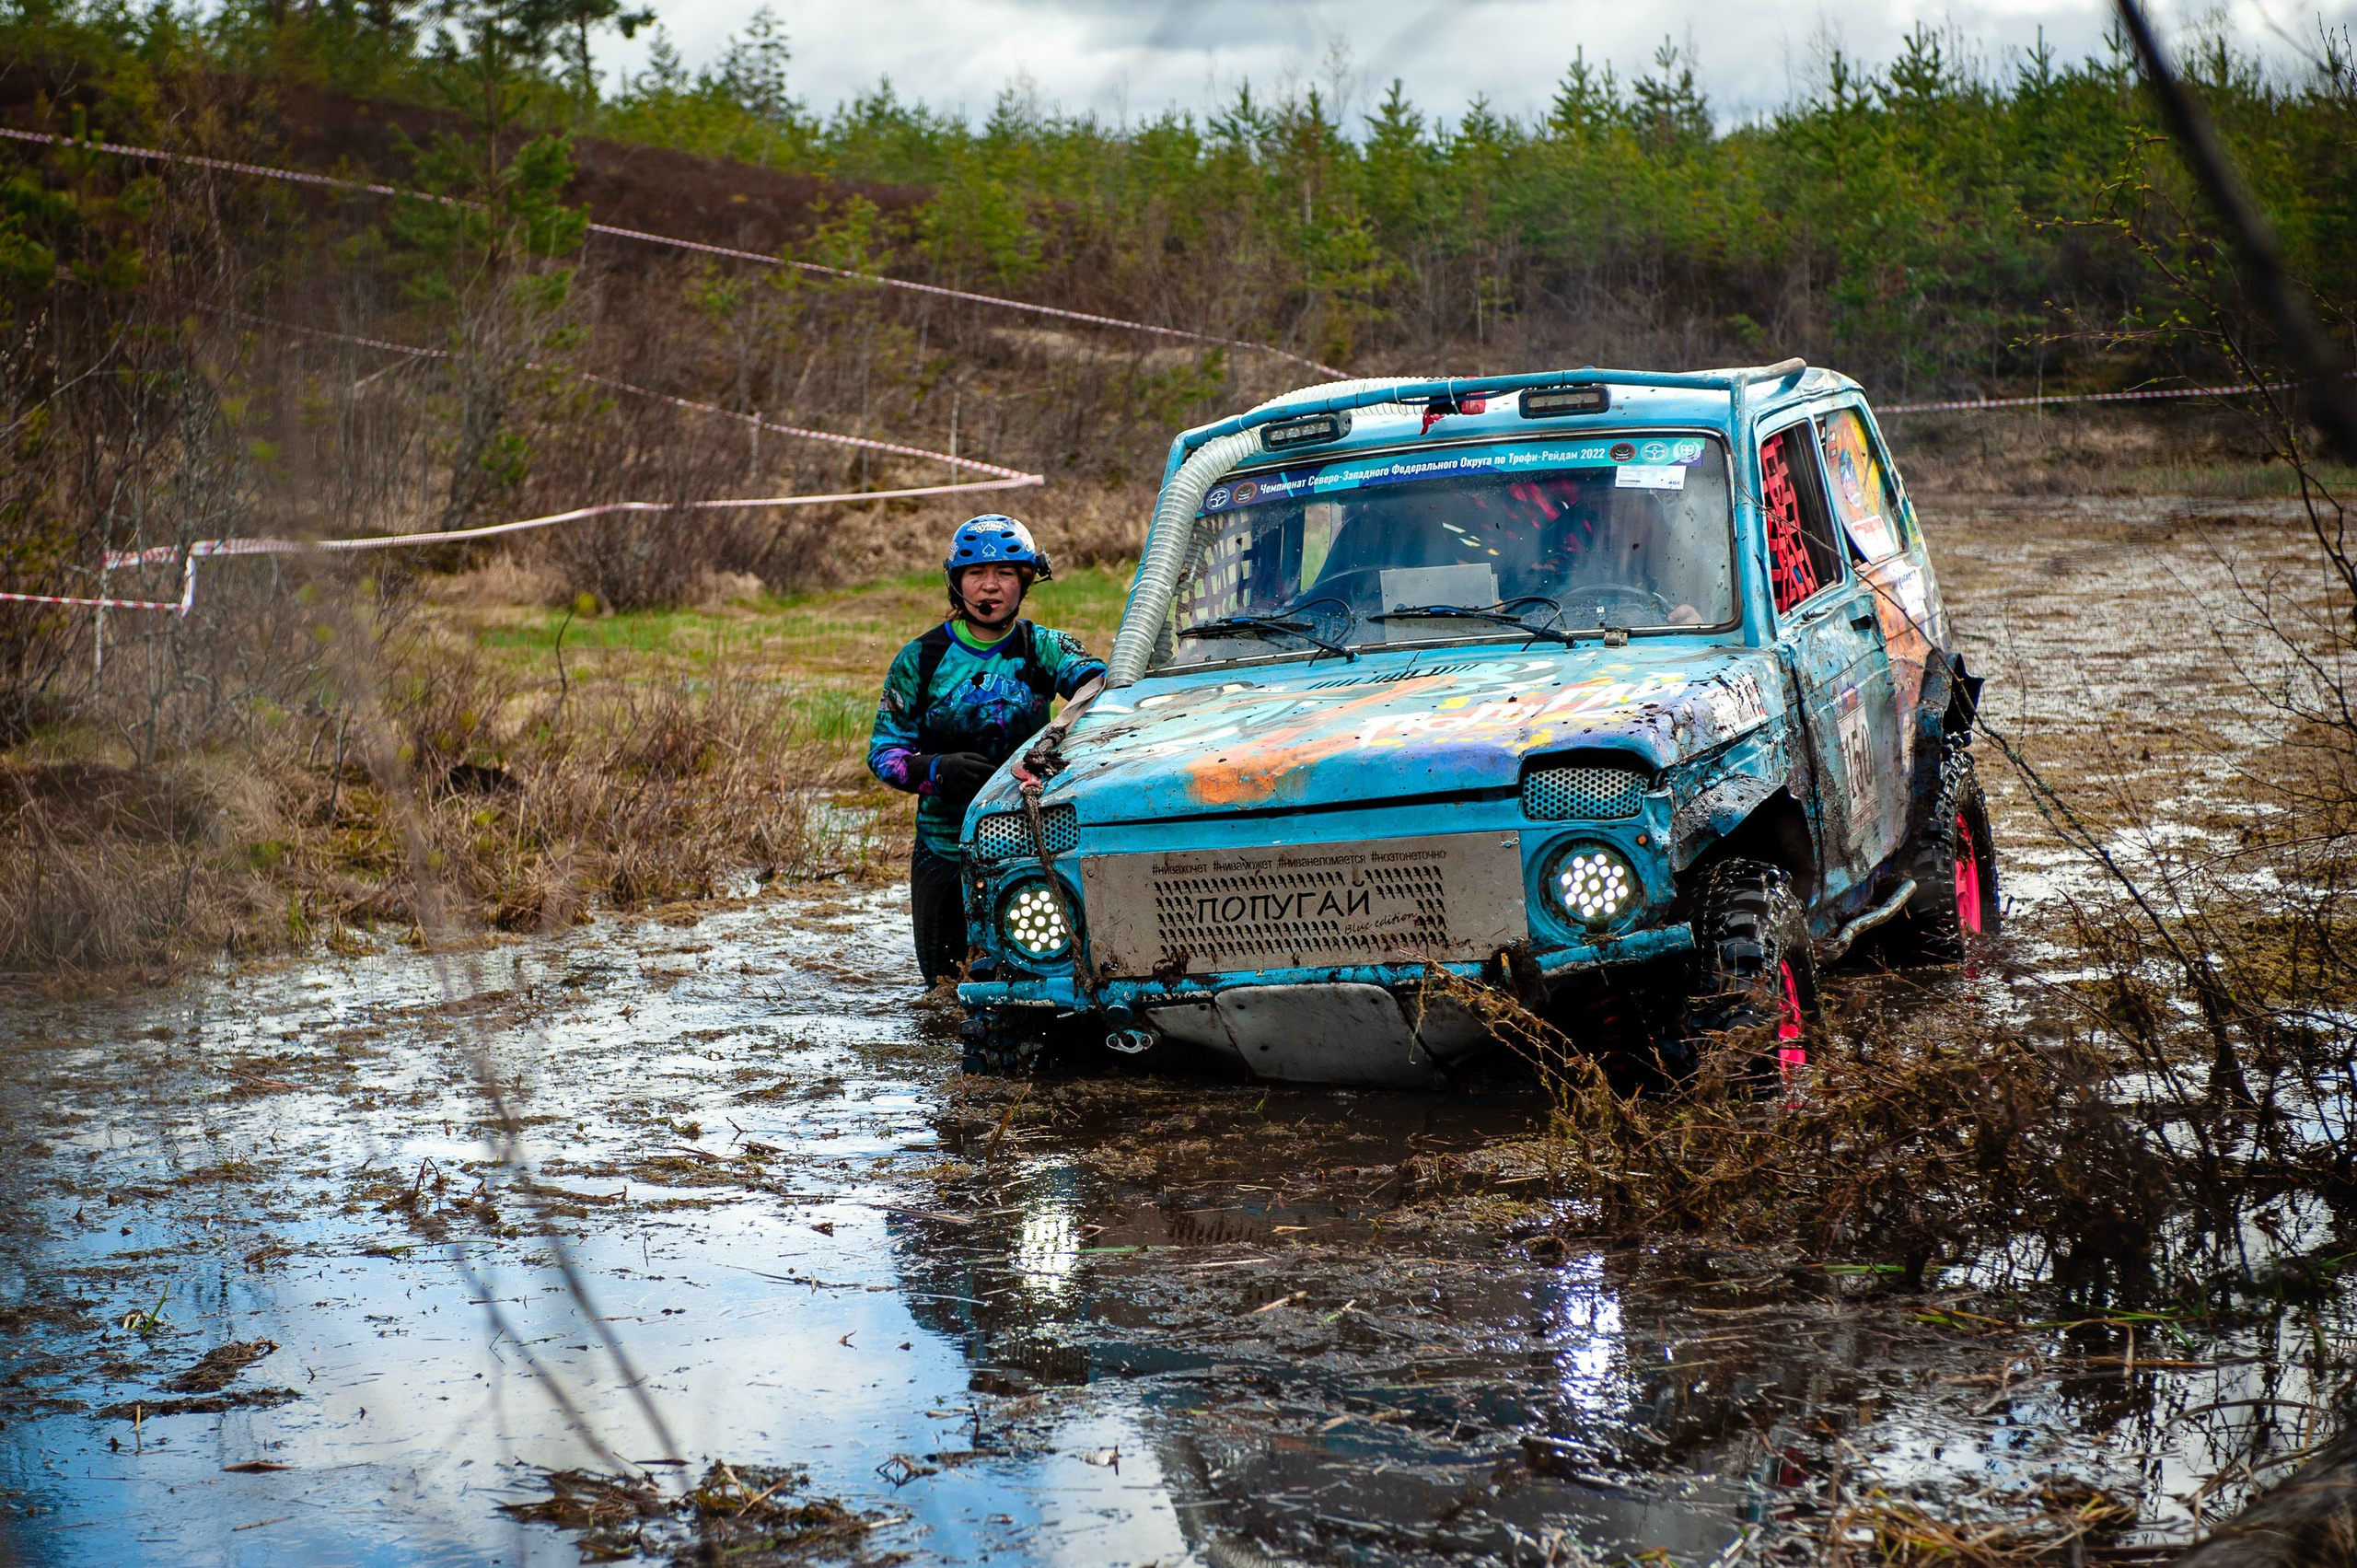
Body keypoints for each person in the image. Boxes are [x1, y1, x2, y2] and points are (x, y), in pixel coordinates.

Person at [868, 516, 1107, 985]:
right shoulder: (921, 658)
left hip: (1028, 845)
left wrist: (1052, 747)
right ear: (957, 583)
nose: (990, 587)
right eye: (976, 574)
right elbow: (884, 753)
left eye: (1005, 574)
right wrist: (936, 770)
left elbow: (1102, 688)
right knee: (943, 990)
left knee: (1039, 977)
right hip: (943, 848)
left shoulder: (1044, 647)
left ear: (1026, 582)